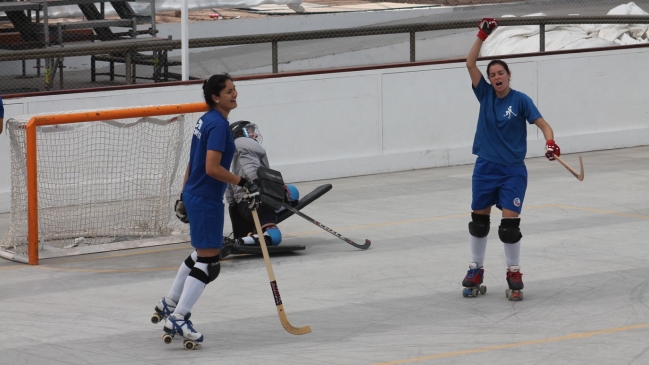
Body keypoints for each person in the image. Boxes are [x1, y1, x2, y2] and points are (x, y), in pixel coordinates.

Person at [151, 73, 260, 348]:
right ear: (215, 97)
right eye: (229, 92)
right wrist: (243, 181)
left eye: (235, 90)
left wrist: (184, 194)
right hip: (206, 199)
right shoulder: (219, 126)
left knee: (201, 255)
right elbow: (212, 168)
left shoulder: (205, 119)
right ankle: (179, 317)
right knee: (210, 263)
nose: (235, 95)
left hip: (196, 195)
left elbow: (192, 161)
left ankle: (171, 302)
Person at [461, 18, 560, 300]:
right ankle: (475, 269)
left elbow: (543, 124)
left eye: (500, 72)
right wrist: (482, 35)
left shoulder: (521, 100)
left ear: (509, 75)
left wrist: (551, 142)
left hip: (513, 171)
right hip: (486, 167)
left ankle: (513, 271)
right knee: (479, 223)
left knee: (509, 227)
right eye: (492, 74)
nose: (496, 77)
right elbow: (470, 64)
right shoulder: (485, 95)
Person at [223, 121, 299, 253]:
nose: (255, 134)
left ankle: (243, 239)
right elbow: (253, 171)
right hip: (258, 200)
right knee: (292, 192)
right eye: (250, 131)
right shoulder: (243, 142)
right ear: (240, 133)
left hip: (243, 206)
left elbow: (230, 197)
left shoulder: (229, 152)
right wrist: (265, 193)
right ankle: (239, 241)